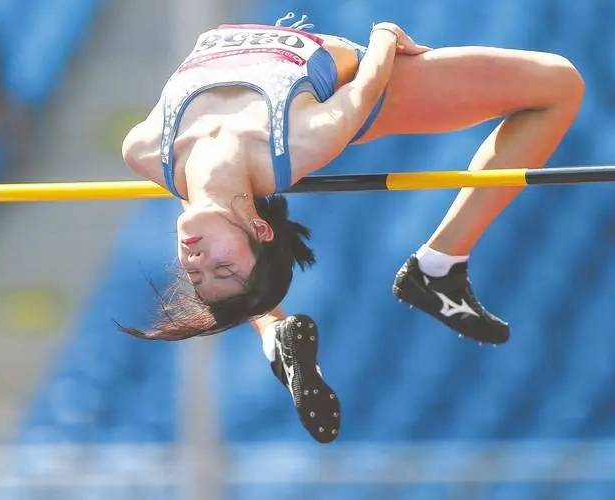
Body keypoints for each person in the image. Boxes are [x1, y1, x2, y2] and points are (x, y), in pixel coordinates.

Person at [119, 14, 584, 442]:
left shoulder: (144, 149)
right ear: (262, 231)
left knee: (210, 197)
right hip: (352, 80)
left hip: (240, 156)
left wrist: (220, 232)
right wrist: (386, 33)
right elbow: (363, 91)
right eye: (221, 268)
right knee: (559, 85)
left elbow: (219, 217)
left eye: (197, 275)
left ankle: (272, 335)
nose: (197, 261)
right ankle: (440, 264)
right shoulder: (301, 141)